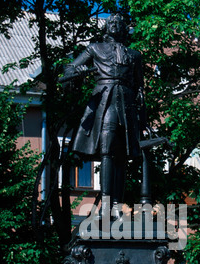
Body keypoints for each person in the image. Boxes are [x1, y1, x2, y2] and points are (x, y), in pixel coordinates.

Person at [61, 12, 146, 219]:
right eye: (111, 22)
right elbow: (70, 69)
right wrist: (75, 71)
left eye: (119, 22)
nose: (115, 25)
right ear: (106, 27)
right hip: (105, 100)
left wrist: (143, 120)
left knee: (123, 155)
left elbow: (140, 89)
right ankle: (106, 204)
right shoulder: (95, 48)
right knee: (107, 149)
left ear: (125, 29)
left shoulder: (135, 55)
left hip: (126, 103)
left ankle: (118, 205)